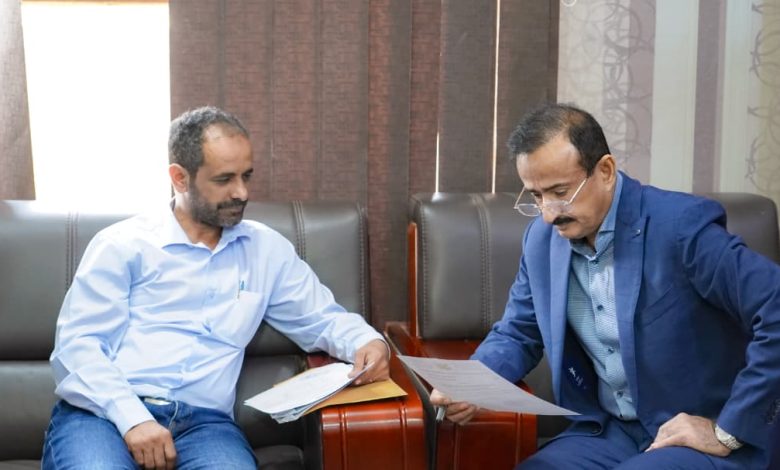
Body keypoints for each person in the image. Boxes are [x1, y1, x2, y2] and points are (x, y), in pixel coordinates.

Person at [431, 103, 780, 469]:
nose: (548, 213)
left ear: (605, 171)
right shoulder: (541, 241)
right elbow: (519, 332)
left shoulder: (681, 227)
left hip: (699, 433)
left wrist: (726, 430)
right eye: (536, 195)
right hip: (612, 432)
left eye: (560, 192)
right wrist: (471, 384)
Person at [42, 106, 390, 470]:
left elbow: (322, 320)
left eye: (246, 176)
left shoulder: (265, 250)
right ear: (179, 178)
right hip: (103, 416)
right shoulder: (122, 245)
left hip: (205, 427)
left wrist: (368, 343)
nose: (241, 192)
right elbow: (78, 348)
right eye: (224, 180)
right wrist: (133, 418)